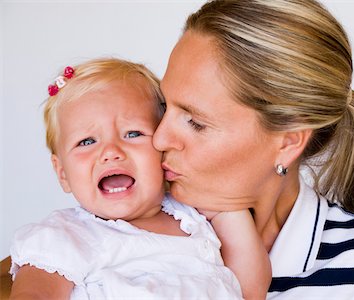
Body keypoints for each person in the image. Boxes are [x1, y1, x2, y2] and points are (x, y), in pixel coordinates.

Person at [152, 0, 354, 299]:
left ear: (289, 142)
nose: (159, 139)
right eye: (164, 106)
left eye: (195, 122)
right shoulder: (120, 223)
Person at [9, 58, 271, 299]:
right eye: (86, 141)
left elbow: (250, 289)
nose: (110, 152)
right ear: (63, 173)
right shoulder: (65, 236)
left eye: (133, 134)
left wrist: (227, 209)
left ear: (164, 148)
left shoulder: (195, 215)